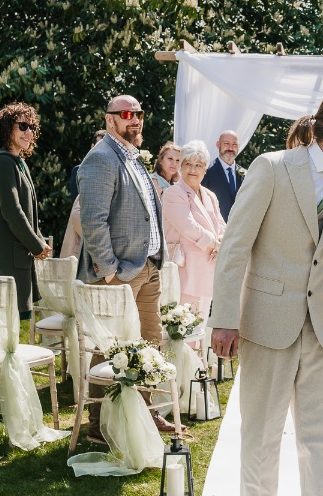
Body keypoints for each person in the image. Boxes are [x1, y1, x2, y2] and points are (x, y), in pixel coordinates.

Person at [209, 91, 323, 496]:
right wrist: (225, 318)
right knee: (261, 438)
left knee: (318, 441)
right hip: (267, 324)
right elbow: (234, 247)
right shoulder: (272, 167)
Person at [76, 94, 177, 435]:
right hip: (119, 273)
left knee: (151, 341)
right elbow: (93, 220)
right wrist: (108, 273)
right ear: (109, 120)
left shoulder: (133, 157)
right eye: (125, 113)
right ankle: (97, 423)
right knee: (109, 346)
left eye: (138, 113)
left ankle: (146, 413)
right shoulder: (101, 158)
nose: (134, 119)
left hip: (147, 267)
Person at [0, 102, 52, 319]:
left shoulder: (18, 162)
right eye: (22, 126)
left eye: (32, 128)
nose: (28, 132)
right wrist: (37, 245)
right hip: (5, 254)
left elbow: (27, 212)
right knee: (6, 324)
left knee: (13, 324)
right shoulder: (2, 163)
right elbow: (12, 211)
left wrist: (38, 240)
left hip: (17, 252)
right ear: (6, 128)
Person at [161, 140, 225, 317]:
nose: (193, 169)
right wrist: (215, 244)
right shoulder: (173, 193)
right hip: (184, 269)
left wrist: (222, 241)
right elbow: (188, 226)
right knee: (181, 325)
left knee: (201, 324)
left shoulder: (210, 195)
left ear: (205, 169)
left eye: (198, 165)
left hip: (208, 268)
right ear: (180, 167)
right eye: (188, 164)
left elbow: (221, 224)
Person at [61, 130, 106, 260]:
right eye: (99, 146)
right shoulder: (80, 171)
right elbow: (78, 208)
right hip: (82, 239)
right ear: (92, 147)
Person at [202, 130, 243, 221]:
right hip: (216, 229)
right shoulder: (206, 172)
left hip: (240, 229)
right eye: (226, 143)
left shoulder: (246, 174)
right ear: (218, 144)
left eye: (234, 144)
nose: (230, 148)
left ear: (239, 147)